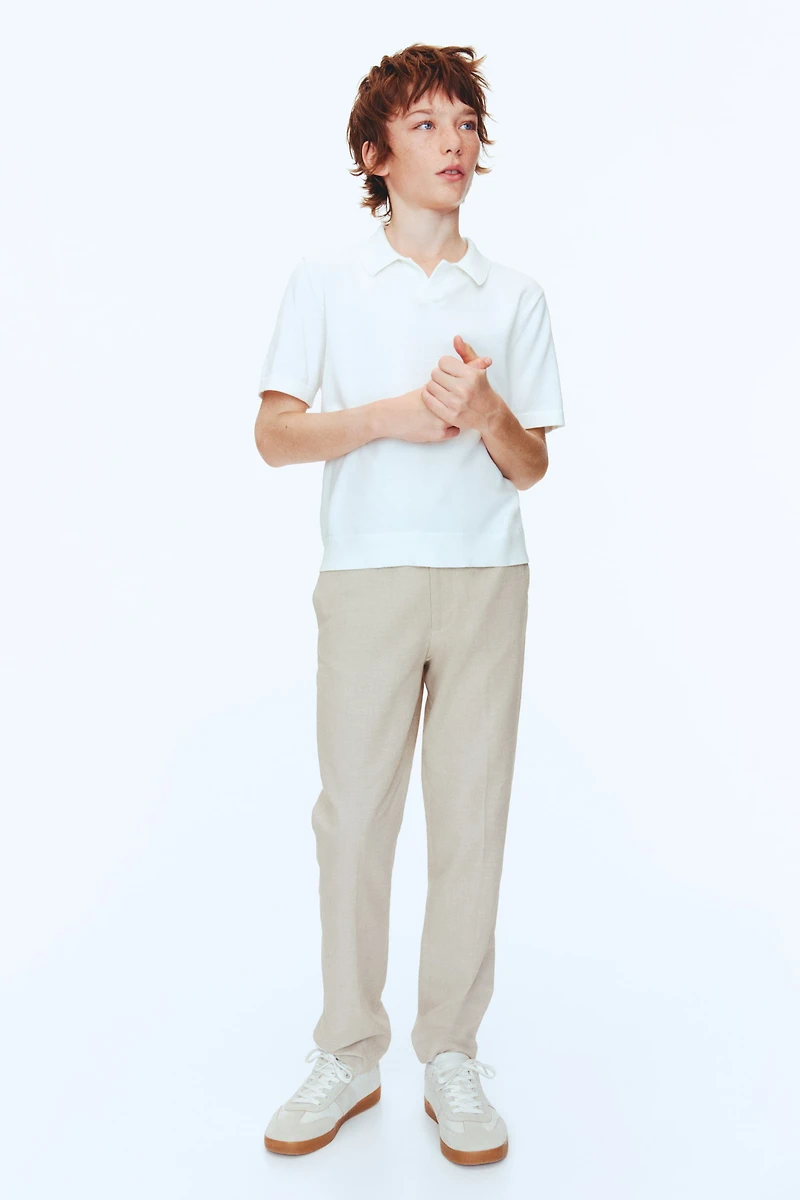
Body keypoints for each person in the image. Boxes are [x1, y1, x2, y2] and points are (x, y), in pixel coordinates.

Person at [255, 43, 565, 1166]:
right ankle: (348, 1049)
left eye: (466, 123)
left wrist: (484, 413)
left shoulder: (514, 295)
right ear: (375, 153)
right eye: (426, 124)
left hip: (486, 577)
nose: (454, 143)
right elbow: (273, 434)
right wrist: (388, 416)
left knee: (470, 819)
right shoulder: (326, 280)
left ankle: (450, 1055)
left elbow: (530, 466)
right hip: (367, 576)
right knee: (354, 820)